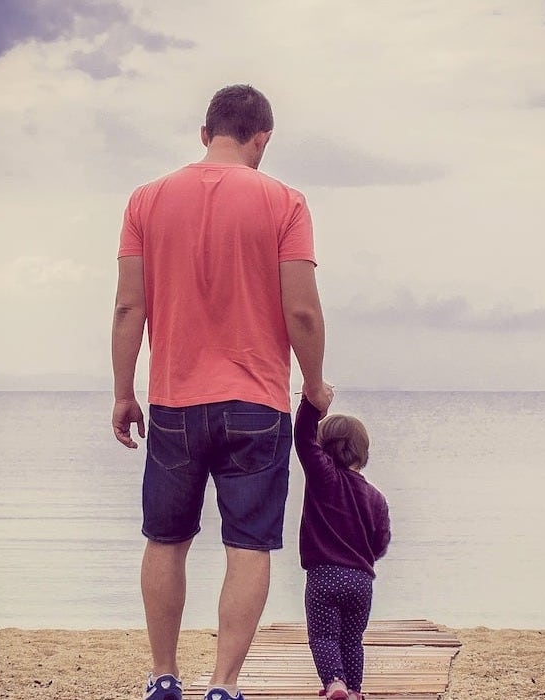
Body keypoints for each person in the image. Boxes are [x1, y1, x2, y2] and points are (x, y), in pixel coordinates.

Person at [111, 84, 334, 700]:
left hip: (175, 399)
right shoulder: (285, 201)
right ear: (261, 137)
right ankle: (225, 684)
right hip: (258, 402)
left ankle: (163, 675)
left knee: (166, 539)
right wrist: (313, 386)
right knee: (248, 545)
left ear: (205, 133)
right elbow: (303, 313)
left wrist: (122, 391)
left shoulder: (146, 200)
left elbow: (131, 304)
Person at [293, 396, 391, 700]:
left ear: (324, 450)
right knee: (351, 640)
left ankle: (334, 682)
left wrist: (312, 402)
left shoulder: (324, 478)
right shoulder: (376, 497)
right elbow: (381, 542)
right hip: (361, 580)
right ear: (363, 454)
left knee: (324, 636)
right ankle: (354, 689)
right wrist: (362, 558)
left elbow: (302, 437)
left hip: (324, 576)